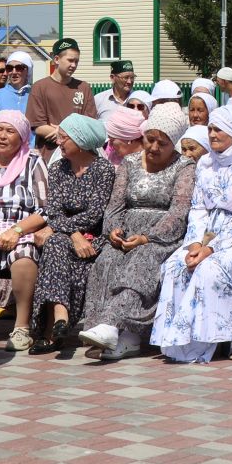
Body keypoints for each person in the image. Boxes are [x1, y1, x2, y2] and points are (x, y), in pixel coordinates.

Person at [155, 100, 232, 364]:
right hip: (206, 236)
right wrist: (194, 243)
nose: (213, 134)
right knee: (175, 266)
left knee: (209, 269)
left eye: (220, 129)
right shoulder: (206, 163)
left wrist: (211, 248)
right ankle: (188, 340)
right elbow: (198, 208)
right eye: (211, 129)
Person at [77, 103, 193, 361]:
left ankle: (110, 325)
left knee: (142, 261)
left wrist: (147, 237)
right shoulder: (129, 162)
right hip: (127, 232)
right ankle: (121, 337)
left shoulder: (184, 166)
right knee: (106, 260)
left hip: (161, 237)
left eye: (162, 144)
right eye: (150, 139)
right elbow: (115, 205)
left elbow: (178, 211)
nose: (153, 147)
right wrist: (113, 231)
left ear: (173, 143)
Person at [29, 113, 115, 354]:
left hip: (94, 237)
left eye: (64, 138)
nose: (59, 142)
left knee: (56, 243)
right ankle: (60, 317)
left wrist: (75, 233)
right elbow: (53, 211)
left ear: (81, 140)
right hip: (67, 235)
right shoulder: (57, 169)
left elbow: (95, 215)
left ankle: (55, 326)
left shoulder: (103, 170)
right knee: (56, 242)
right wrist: (74, 234)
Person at [0, 109, 48, 350]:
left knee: (24, 257)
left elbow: (46, 209)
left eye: (10, 131)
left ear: (23, 137)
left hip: (21, 231)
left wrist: (15, 231)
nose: (3, 136)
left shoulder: (33, 162)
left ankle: (22, 327)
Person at [25, 38, 98, 150]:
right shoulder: (40, 87)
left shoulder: (84, 88)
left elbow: (90, 125)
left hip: (79, 154)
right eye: (70, 60)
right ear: (57, 59)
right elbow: (38, 126)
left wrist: (62, 132)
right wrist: (71, 134)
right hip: (50, 154)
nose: (74, 65)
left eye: (76, 61)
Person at [0, 49, 35, 136]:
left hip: (30, 147)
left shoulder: (36, 94)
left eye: (19, 68)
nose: (14, 72)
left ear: (27, 71)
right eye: (9, 68)